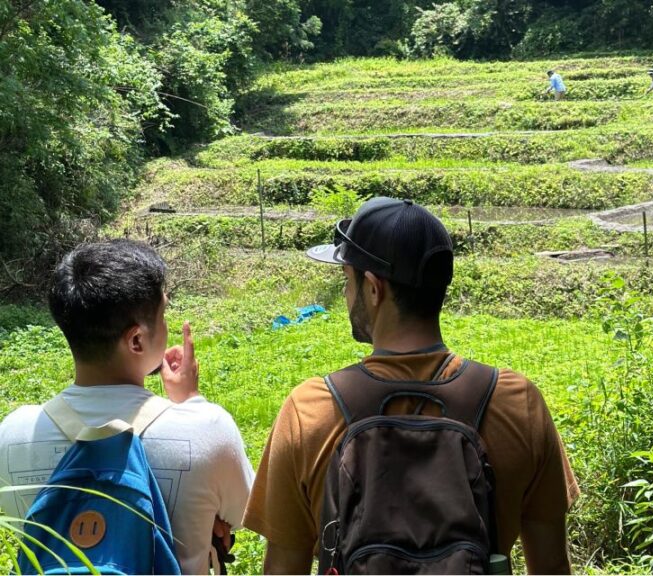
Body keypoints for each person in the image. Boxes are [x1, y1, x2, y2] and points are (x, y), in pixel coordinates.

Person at [243, 197, 580, 574]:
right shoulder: (518, 403)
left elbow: (282, 569)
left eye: (347, 280)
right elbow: (552, 567)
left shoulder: (311, 410)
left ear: (373, 288)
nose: (345, 295)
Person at [0, 239, 255, 575]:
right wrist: (192, 402)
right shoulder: (206, 428)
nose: (166, 325)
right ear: (137, 340)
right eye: (163, 314)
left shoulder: (13, 433)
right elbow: (246, 512)